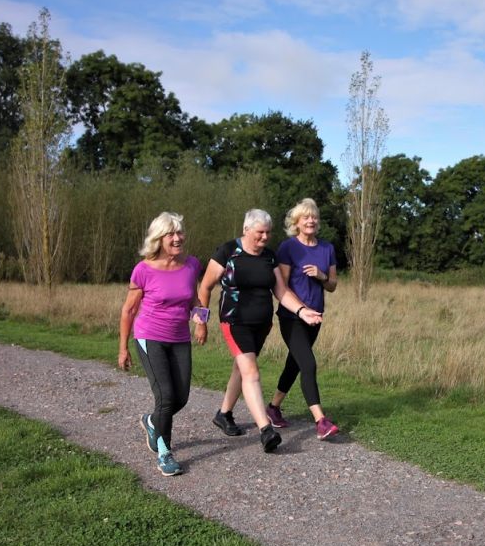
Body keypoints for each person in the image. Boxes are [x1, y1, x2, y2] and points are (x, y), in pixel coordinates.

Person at [195, 209, 322, 453]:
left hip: (262, 324)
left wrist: (302, 311)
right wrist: (201, 322)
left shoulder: (269, 257)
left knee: (241, 368)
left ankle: (223, 414)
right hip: (235, 322)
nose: (264, 237)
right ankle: (266, 429)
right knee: (251, 372)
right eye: (260, 233)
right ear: (246, 230)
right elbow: (205, 287)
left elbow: (282, 291)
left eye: (268, 233)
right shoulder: (228, 252)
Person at [118, 212, 205, 477]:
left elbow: (194, 300)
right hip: (149, 336)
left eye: (180, 232)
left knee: (181, 397)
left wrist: (201, 322)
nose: (177, 238)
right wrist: (123, 348)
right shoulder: (143, 269)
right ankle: (165, 452)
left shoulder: (191, 265)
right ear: (159, 239)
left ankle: (151, 420)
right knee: (166, 397)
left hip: (180, 338)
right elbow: (129, 310)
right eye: (171, 234)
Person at [264, 198, 339, 440]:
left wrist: (321, 275)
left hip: (316, 318)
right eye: (306, 217)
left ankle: (273, 408)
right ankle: (321, 421)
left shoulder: (327, 249)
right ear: (296, 222)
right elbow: (282, 286)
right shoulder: (288, 247)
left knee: (294, 363)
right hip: (292, 317)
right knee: (308, 364)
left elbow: (333, 285)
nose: (311, 220)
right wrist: (301, 309)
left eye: (314, 217)